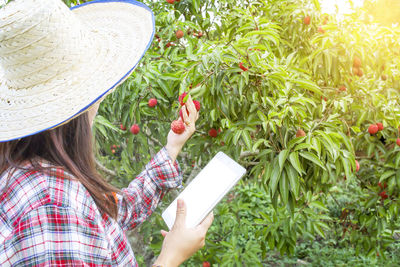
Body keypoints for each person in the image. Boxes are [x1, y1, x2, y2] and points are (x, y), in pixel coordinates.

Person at [0, 0, 213, 266]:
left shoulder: (33, 177)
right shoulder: (52, 203)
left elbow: (112, 213)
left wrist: (172, 147)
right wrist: (170, 257)